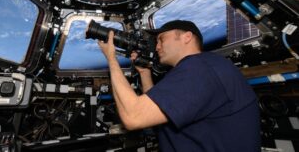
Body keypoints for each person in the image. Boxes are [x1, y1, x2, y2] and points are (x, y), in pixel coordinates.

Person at [98, 20, 260, 152]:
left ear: (187, 37)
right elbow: (156, 113)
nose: (157, 46)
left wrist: (111, 59)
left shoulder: (199, 68)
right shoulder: (205, 66)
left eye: (161, 39)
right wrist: (144, 73)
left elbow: (133, 117)